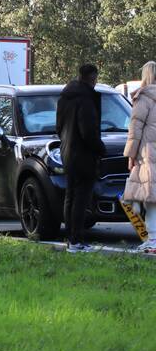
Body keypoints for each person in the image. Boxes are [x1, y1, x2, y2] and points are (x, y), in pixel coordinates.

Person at [56, 63, 105, 253]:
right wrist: (100, 148)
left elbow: (59, 127)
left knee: (70, 196)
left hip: (67, 151)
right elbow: (88, 131)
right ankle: (77, 239)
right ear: (93, 78)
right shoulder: (86, 99)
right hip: (84, 154)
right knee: (81, 199)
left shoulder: (65, 97)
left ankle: (70, 238)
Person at [124, 61, 156, 253]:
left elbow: (135, 129)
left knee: (149, 197)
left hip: (147, 154)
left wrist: (130, 155)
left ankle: (152, 239)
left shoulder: (143, 97)